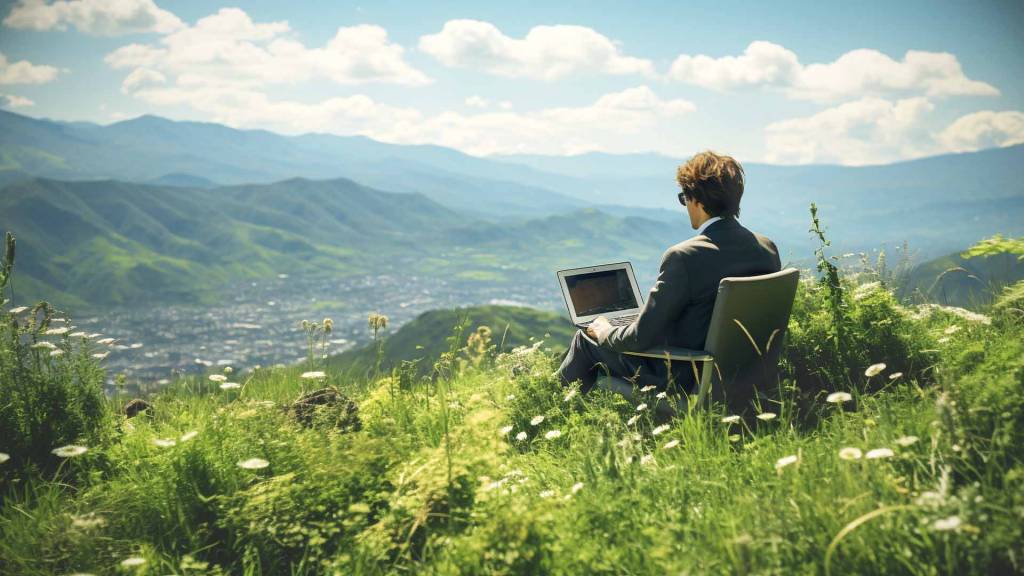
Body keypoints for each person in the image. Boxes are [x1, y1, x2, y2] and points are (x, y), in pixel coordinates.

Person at [556, 151, 781, 394]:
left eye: (684, 197)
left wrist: (604, 330)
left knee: (586, 340)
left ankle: (546, 412)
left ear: (696, 199)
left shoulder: (684, 257)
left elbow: (639, 339)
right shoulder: (765, 248)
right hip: (745, 373)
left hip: (684, 374)